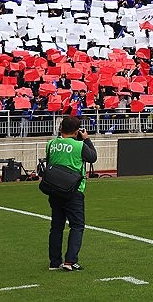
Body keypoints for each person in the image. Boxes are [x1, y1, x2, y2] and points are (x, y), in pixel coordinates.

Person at [46, 115, 96, 271]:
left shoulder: (51, 144)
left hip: (54, 189)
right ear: (76, 131)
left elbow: (49, 162)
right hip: (74, 190)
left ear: (61, 129)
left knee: (56, 226)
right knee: (77, 226)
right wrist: (86, 139)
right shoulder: (79, 146)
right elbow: (92, 157)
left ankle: (55, 262)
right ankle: (70, 260)